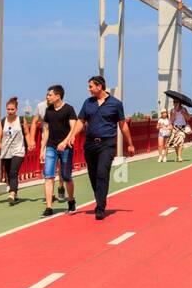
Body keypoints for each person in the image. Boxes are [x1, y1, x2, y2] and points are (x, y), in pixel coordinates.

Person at [64, 75, 135, 220]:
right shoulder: (88, 103)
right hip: (90, 144)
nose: (89, 89)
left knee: (102, 173)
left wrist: (130, 144)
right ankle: (100, 199)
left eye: (91, 86)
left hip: (107, 144)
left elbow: (123, 125)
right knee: (93, 175)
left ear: (99, 87)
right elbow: (81, 121)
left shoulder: (116, 104)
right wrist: (72, 135)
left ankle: (100, 206)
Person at [31, 85, 77, 216]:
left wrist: (64, 142)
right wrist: (42, 149)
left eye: (50, 95)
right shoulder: (48, 111)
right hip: (51, 146)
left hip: (66, 147)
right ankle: (49, 207)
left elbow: (73, 128)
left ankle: (71, 201)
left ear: (58, 96)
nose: (47, 97)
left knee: (67, 176)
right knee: (48, 176)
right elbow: (46, 130)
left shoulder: (69, 109)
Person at [0, 96, 27, 206]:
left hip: (19, 150)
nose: (10, 111)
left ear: (16, 110)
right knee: (9, 173)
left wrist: (31, 142)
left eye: (12, 109)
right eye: (8, 109)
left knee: (14, 171)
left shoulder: (21, 120)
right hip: (6, 151)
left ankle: (12, 193)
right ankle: (15, 194)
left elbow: (27, 134)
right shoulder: (3, 121)